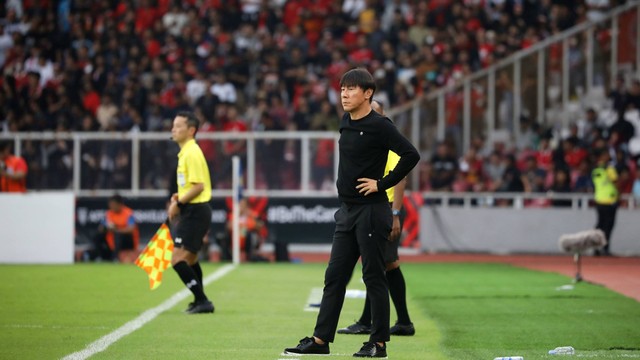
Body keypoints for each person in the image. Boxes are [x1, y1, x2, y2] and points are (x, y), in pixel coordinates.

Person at [284, 68, 420, 358]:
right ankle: (321, 341)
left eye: (351, 89)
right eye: (342, 89)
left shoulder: (381, 125)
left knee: (373, 276)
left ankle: (378, 344)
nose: (344, 94)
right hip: (346, 211)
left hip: (372, 211)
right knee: (334, 276)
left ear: (367, 93)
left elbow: (411, 155)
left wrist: (382, 184)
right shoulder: (345, 121)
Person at [338, 99, 415, 337]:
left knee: (381, 265)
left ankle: (381, 322)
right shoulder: (369, 137)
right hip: (376, 206)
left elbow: (401, 179)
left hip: (383, 207)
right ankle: (398, 320)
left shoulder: (383, 137)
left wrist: (395, 214)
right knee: (382, 265)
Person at [168, 111, 215, 314]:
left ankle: (202, 300)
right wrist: (178, 197)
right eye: (173, 125)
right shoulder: (186, 152)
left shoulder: (191, 152)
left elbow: (199, 186)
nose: (173, 129)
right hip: (194, 210)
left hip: (195, 211)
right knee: (191, 260)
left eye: (179, 126)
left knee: (177, 260)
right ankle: (200, 301)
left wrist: (178, 203)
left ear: (191, 130)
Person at [95, 194, 139, 262]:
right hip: (111, 239)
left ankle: (115, 258)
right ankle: (101, 257)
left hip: (128, 241)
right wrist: (106, 227)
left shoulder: (128, 213)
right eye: (110, 205)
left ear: (120, 204)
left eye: (113, 205)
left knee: (118, 235)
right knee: (98, 236)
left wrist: (117, 230)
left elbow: (131, 229)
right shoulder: (109, 213)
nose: (111, 207)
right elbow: (100, 228)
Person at [592, 149, 619, 256]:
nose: (608, 156)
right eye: (606, 155)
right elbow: (616, 182)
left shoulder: (595, 170)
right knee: (607, 226)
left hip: (599, 200)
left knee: (600, 225)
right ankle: (604, 248)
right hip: (609, 201)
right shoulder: (609, 169)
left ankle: (597, 248)